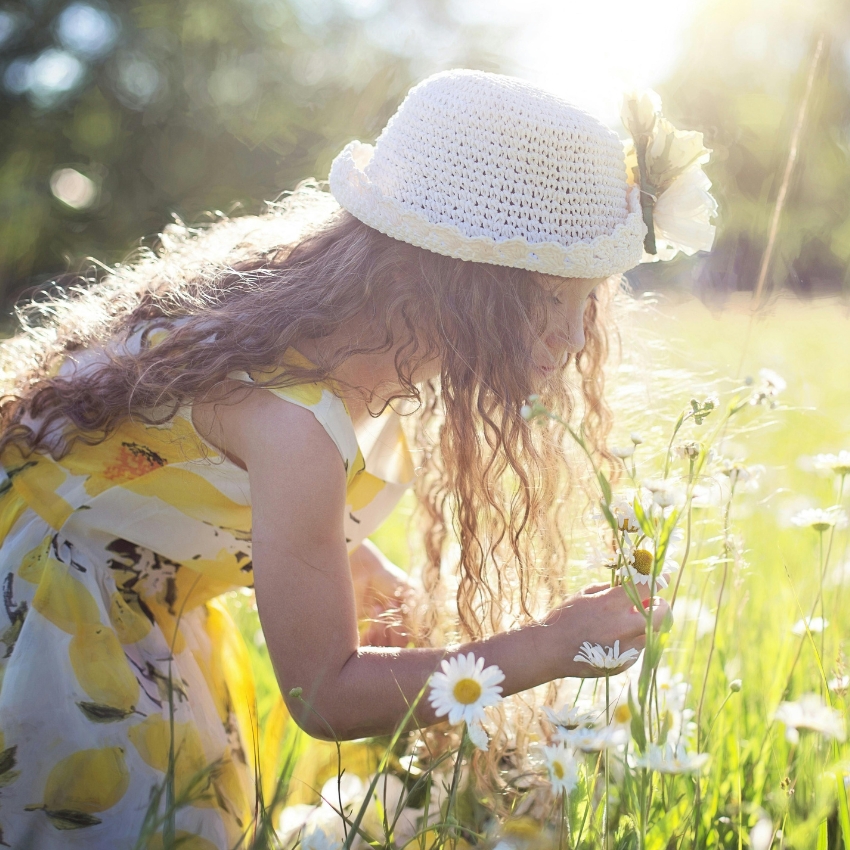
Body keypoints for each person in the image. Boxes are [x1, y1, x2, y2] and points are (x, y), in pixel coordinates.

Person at [0, 69, 669, 849]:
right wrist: (549, 646)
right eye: (553, 299)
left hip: (128, 595)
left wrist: (351, 559)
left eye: (590, 301)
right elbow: (326, 698)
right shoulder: (293, 419)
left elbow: (180, 478)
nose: (577, 336)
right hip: (55, 628)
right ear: (457, 283)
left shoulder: (335, 331)